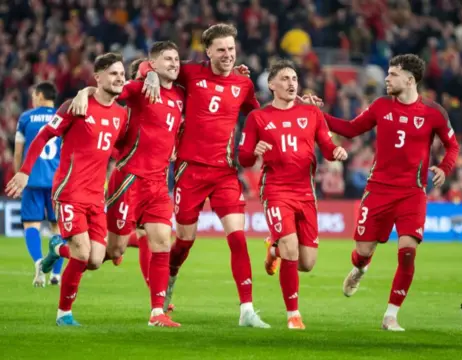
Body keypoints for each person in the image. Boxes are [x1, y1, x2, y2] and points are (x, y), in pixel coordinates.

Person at [138, 23, 268, 328]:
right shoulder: (189, 72)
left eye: (231, 50)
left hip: (225, 172)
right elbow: (150, 63)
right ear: (207, 50)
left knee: (237, 238)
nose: (227, 55)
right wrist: (152, 74)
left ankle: (247, 309)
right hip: (190, 171)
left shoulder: (244, 84)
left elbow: (258, 115)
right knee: (184, 240)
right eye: (221, 49)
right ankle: (169, 279)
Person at [323, 54, 460, 331]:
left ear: (409, 80)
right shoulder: (381, 106)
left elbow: (453, 146)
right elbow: (350, 129)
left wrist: (445, 168)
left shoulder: (434, 112)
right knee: (363, 251)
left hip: (413, 193)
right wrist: (316, 115)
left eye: (392, 74)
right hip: (378, 190)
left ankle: (391, 315)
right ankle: (360, 269)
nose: (386, 79)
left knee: (407, 253)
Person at [5, 53, 128, 326]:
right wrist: (24, 171)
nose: (120, 78)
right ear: (98, 77)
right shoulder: (77, 105)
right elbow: (43, 136)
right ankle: (64, 314)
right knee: (82, 254)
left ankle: (56, 248)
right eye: (113, 73)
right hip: (69, 191)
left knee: (95, 260)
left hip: (97, 196)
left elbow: (117, 148)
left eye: (122, 74)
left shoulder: (121, 114)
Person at [67, 41, 184, 327]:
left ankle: (157, 313)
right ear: (152, 64)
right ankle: (65, 251)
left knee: (160, 244)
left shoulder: (182, 94)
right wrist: (84, 92)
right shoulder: (140, 87)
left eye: (177, 59)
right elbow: (110, 91)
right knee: (113, 250)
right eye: (167, 59)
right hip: (129, 178)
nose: (174, 63)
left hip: (158, 181)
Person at [238, 60, 347, 329]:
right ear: (272, 85)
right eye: (285, 79)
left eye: (294, 78)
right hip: (275, 190)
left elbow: (327, 144)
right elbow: (243, 158)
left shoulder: (311, 113)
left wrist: (336, 152)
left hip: (305, 192)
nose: (291, 83)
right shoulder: (258, 117)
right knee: (291, 248)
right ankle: (293, 315)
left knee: (306, 263)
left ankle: (272, 249)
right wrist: (255, 152)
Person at [14, 81, 64, 287]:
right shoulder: (63, 116)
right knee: (58, 227)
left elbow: (18, 151)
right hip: (57, 182)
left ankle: (38, 262)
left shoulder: (26, 117)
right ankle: (56, 275)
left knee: (31, 224)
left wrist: (19, 175)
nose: (33, 99)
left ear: (41, 95)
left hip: (32, 179)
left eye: (34, 95)